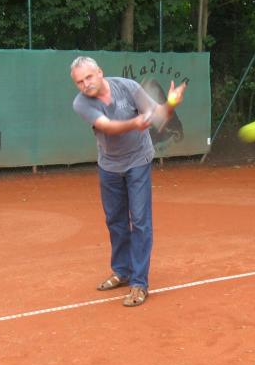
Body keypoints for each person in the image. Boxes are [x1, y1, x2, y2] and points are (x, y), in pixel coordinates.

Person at [70, 56, 186, 307]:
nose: (85, 84)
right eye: (79, 82)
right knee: (115, 220)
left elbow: (159, 115)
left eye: (89, 77)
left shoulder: (128, 87)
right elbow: (108, 127)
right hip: (109, 165)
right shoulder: (81, 103)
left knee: (141, 220)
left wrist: (171, 104)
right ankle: (122, 271)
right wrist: (135, 122)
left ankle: (139, 283)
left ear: (100, 72)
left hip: (138, 161)